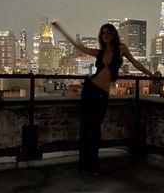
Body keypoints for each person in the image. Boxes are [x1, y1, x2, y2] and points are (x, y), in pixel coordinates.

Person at [52, 21, 153, 175]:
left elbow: (136, 63)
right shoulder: (99, 52)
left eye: (109, 33)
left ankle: (93, 165)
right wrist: (62, 30)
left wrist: (151, 75)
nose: (106, 35)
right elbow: (78, 47)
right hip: (90, 89)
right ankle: (84, 165)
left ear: (113, 35)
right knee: (85, 127)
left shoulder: (122, 49)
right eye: (103, 33)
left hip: (102, 93)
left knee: (95, 127)